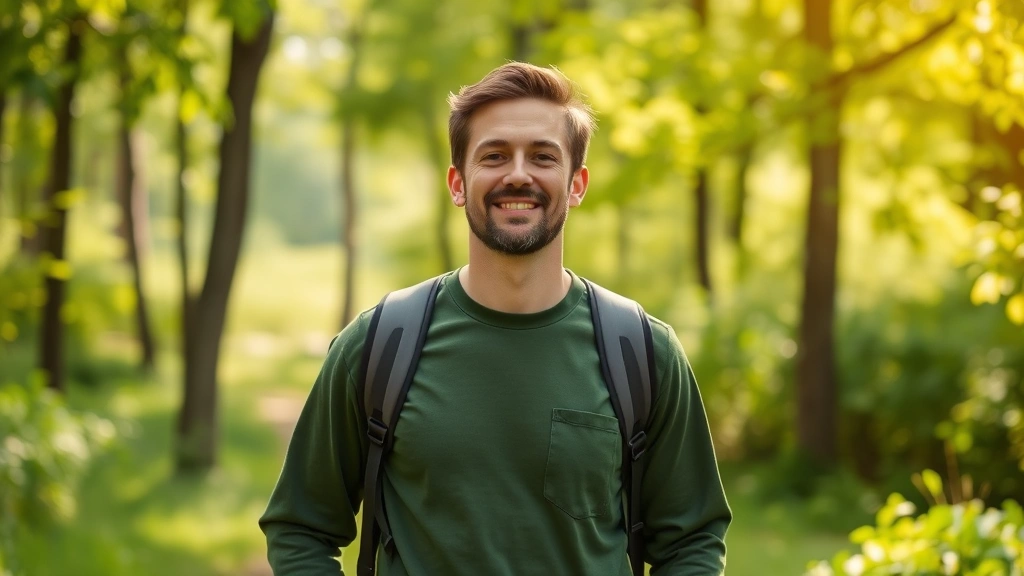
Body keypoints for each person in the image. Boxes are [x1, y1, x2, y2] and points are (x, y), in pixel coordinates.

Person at [259, 62, 731, 575]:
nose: (519, 174)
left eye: (544, 156)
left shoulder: (641, 352)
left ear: (577, 184)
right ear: (458, 182)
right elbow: (302, 528)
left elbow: (692, 542)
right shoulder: (380, 344)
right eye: (495, 155)